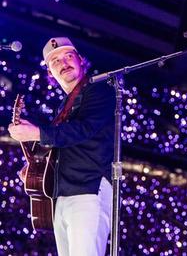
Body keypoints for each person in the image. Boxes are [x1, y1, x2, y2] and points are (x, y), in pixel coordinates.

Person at [8, 37, 115, 256]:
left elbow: (82, 129)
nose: (63, 63)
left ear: (80, 61)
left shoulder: (98, 90)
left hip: (89, 190)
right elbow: (62, 148)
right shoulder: (62, 107)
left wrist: (37, 132)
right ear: (50, 72)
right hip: (62, 196)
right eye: (55, 60)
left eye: (69, 56)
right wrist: (35, 169)